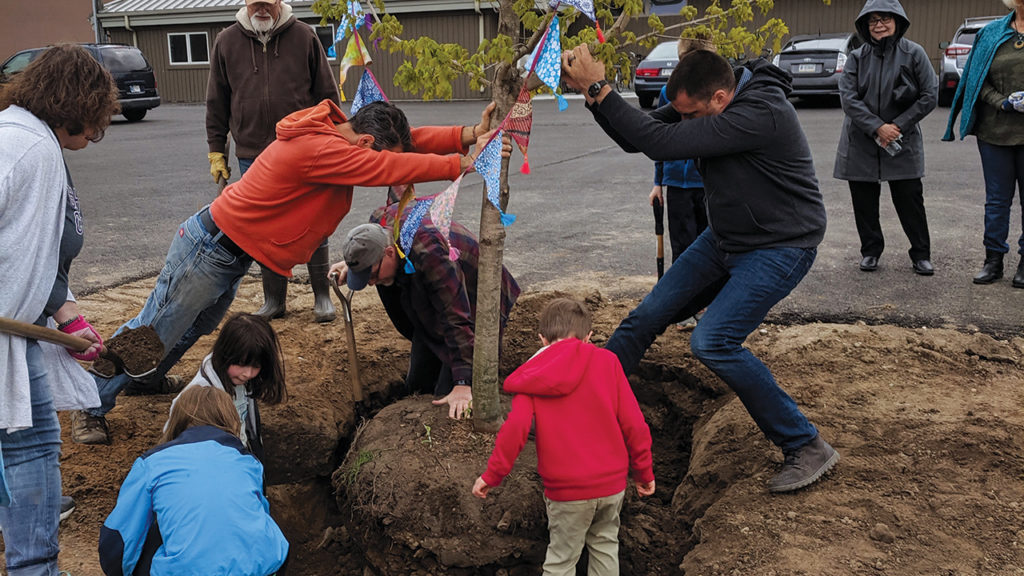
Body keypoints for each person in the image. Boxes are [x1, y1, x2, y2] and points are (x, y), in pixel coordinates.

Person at [72, 100, 499, 445]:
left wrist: (464, 136)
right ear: (365, 141)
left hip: (227, 251)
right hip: (210, 248)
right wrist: (460, 164)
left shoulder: (344, 134)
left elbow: (404, 145)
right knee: (153, 331)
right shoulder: (321, 150)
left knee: (193, 326)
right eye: (378, 151)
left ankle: (146, 379)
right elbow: (390, 166)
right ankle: (90, 406)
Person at [562, 46, 839, 493]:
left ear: (720, 99)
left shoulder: (761, 113)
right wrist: (592, 96)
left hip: (780, 246)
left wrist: (601, 86)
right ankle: (585, 404)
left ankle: (806, 444)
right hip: (724, 238)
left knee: (713, 341)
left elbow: (660, 141)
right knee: (645, 316)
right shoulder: (708, 102)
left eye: (690, 116)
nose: (684, 121)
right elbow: (641, 136)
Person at [0, 44, 116, 575]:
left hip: (20, 338)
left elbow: (31, 253)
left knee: (40, 446)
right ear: (75, 105)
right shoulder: (21, 149)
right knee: (26, 456)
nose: (92, 139)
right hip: (5, 345)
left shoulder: (37, 146)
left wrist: (67, 314)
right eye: (93, 124)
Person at [472, 298, 655, 576]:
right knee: (605, 546)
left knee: (562, 559)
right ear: (589, 337)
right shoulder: (608, 362)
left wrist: (492, 476)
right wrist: (643, 472)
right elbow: (635, 424)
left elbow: (515, 430)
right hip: (612, 486)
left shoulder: (532, 377)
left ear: (542, 339)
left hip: (567, 491)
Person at [207, 0, 341, 323]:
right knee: (266, 227)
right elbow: (216, 102)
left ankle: (321, 294)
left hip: (303, 150)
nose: (262, 9)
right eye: (256, 4)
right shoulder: (226, 42)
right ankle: (274, 301)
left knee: (313, 220)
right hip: (253, 154)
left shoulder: (305, 37)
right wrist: (216, 150)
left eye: (268, 3)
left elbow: (328, 96)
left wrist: (334, 143)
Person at [329, 203, 520, 420]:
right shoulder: (380, 226)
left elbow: (456, 317)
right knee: (417, 387)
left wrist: (463, 383)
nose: (371, 283)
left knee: (446, 401)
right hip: (430, 296)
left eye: (371, 275)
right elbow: (372, 246)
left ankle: (469, 379)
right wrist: (357, 264)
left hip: (477, 297)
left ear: (389, 252)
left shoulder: (431, 253)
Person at [99, 385, 288, 576]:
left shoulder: (152, 463)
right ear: (230, 419)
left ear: (178, 419)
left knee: (151, 532)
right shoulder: (247, 461)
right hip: (266, 566)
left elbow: (119, 540)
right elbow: (257, 517)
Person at [834, 0, 938, 276]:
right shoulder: (856, 57)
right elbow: (849, 99)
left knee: (910, 200)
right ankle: (870, 250)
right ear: (865, 25)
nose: (879, 25)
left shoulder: (914, 53)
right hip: (862, 140)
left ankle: (921, 254)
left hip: (901, 141)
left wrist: (897, 126)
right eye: (873, 20)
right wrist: (877, 127)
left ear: (898, 21)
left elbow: (930, 95)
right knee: (864, 201)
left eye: (885, 19)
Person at [944, 0, 1024, 287]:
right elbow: (977, 78)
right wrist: (1001, 103)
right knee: (997, 201)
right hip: (994, 132)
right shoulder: (990, 33)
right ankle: (993, 260)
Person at [649, 38, 711, 329]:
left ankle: (708, 301)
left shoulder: (713, 96)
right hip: (677, 183)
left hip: (707, 183)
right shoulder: (669, 94)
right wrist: (658, 182)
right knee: (683, 246)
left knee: (709, 243)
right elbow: (661, 139)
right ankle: (684, 303)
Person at [164, 313, 285, 460]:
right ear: (225, 354)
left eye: (256, 366)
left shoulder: (236, 379)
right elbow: (174, 440)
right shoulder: (200, 400)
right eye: (240, 364)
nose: (247, 373)